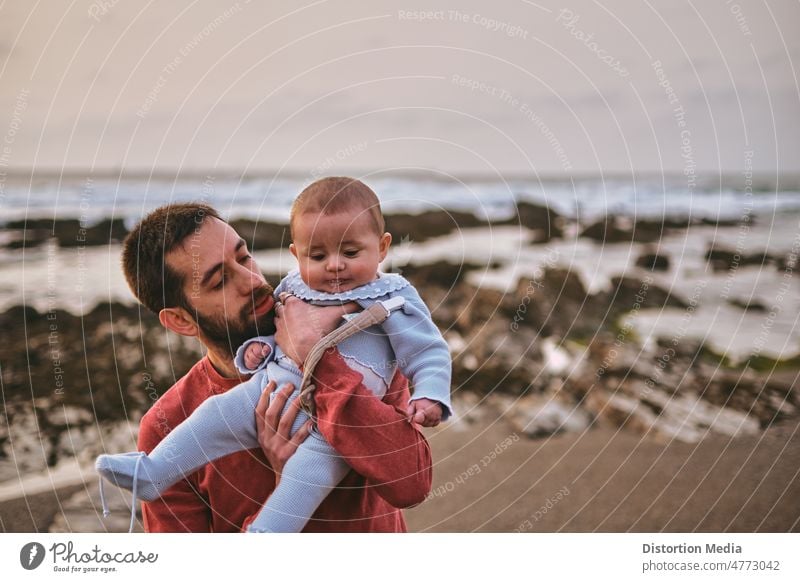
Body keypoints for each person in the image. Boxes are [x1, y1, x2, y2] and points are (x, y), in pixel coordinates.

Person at [97, 178, 452, 532]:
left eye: (244, 257)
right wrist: (278, 479)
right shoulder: (169, 424)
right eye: (220, 281)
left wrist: (315, 360)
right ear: (180, 320)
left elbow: (412, 481)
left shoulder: (367, 349)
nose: (252, 281)